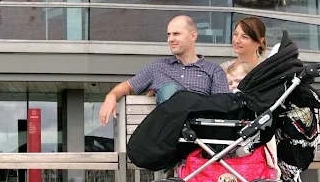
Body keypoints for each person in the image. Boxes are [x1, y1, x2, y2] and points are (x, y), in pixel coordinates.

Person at [99, 15, 230, 126]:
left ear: (193, 36)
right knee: (169, 90)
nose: (170, 39)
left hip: (199, 134)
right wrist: (111, 96)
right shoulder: (158, 67)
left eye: (176, 34)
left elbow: (222, 109)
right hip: (168, 137)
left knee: (171, 91)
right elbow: (128, 86)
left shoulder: (213, 71)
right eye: (169, 35)